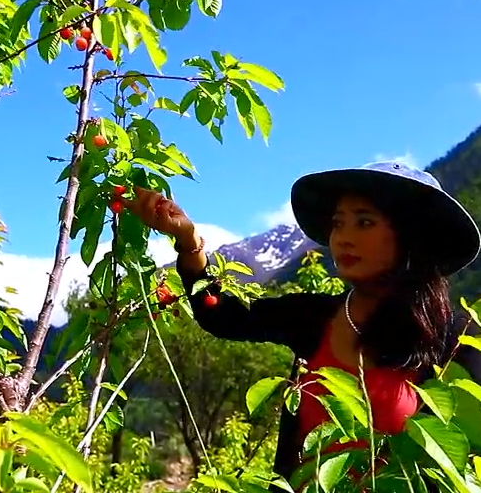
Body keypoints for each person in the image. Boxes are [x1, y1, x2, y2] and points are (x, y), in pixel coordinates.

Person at [124, 161, 481, 481]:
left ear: (411, 237)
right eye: (338, 223)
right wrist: (188, 240)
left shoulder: (454, 341)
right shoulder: (313, 316)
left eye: (365, 222)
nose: (344, 237)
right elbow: (223, 316)